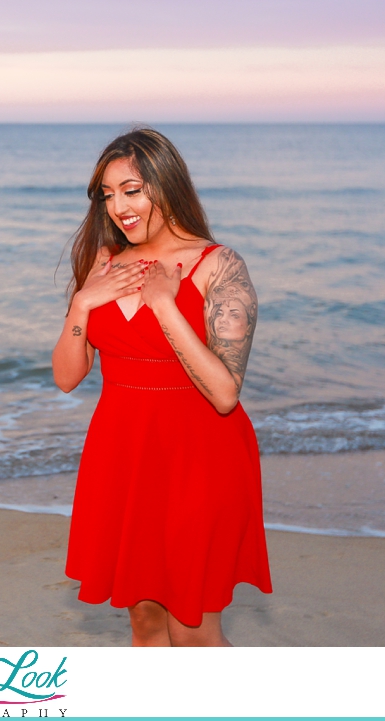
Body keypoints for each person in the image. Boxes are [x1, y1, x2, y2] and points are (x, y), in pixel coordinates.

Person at [51, 127, 272, 647]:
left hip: (200, 457)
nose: (118, 207)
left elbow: (224, 393)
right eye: (107, 194)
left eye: (132, 190)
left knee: (192, 628)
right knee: (144, 622)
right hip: (122, 455)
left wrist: (165, 305)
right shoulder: (103, 263)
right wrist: (83, 302)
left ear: (166, 184)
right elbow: (66, 377)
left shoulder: (219, 265)